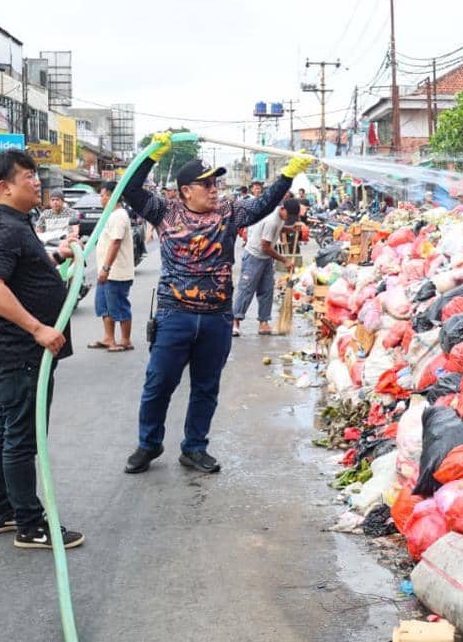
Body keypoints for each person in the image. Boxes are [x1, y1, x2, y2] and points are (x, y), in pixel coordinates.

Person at [121, 133, 313, 475]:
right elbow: (130, 190)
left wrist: (287, 174)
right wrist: (152, 155)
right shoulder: (165, 212)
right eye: (205, 184)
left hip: (217, 318)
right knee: (158, 383)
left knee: (206, 387)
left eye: (215, 183)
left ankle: (194, 448)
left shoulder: (230, 212)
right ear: (185, 191)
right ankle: (148, 443)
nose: (214, 189)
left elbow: (263, 204)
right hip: (173, 314)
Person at [0, 149, 83, 550]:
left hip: (18, 353)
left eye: (35, 175)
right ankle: (30, 524)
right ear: (5, 188)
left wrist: (58, 255)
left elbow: (20, 272)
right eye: (27, 176)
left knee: (6, 429)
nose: (37, 182)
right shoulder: (4, 228)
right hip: (21, 351)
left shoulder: (15, 224)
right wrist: (38, 328)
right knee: (21, 437)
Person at [232, 197, 300, 337]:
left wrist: (290, 229)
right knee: (246, 290)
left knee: (267, 290)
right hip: (254, 257)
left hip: (266, 259)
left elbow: (280, 229)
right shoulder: (271, 220)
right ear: (283, 209)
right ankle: (235, 321)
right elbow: (265, 247)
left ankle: (264, 323)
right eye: (289, 215)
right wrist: (284, 260)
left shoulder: (280, 217)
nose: (289, 218)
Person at [90, 180, 136, 353]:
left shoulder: (119, 215)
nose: (101, 199)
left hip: (116, 272)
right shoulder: (109, 214)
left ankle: (125, 340)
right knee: (104, 306)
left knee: (119, 305)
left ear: (111, 195)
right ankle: (109, 338)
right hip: (106, 272)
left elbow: (115, 242)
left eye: (102, 195)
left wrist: (106, 268)